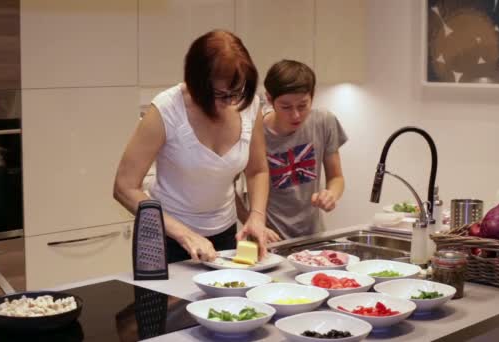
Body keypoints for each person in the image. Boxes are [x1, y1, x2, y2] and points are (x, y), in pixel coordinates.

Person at [113, 30, 279, 264]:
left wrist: (256, 216)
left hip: (224, 234)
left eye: (237, 92)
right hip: (165, 237)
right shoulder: (167, 110)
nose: (231, 102)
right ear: (196, 84)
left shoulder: (249, 105)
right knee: (168, 302)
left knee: (224, 300)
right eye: (220, 94)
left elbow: (257, 170)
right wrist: (186, 234)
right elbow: (124, 187)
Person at [236, 60, 347, 239]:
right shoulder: (253, 133)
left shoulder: (324, 121)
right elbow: (227, 190)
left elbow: (336, 177)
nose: (296, 115)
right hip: (269, 241)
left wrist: (331, 194)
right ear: (270, 99)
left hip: (313, 237)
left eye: (303, 106)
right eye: (286, 107)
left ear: (313, 96)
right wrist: (253, 221)